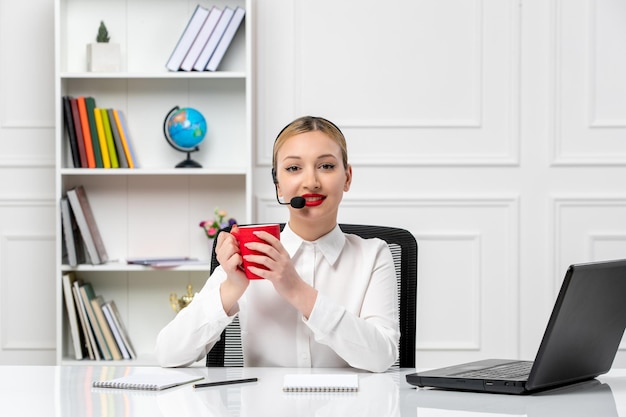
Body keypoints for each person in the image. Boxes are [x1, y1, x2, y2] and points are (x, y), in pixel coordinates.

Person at [155, 116, 399, 372]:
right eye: (294, 168)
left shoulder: (374, 255)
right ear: (278, 185)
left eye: (326, 166)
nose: (311, 182)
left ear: (347, 177)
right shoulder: (252, 252)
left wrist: (296, 290)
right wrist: (231, 287)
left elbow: (382, 357)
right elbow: (168, 353)